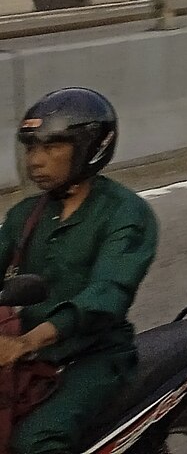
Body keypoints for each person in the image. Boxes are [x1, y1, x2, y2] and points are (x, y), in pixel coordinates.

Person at [0, 89, 157, 454]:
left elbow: (106, 294)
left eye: (52, 147)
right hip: (28, 354)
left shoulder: (125, 214)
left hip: (95, 357)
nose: (35, 160)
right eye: (31, 147)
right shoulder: (25, 215)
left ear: (88, 147)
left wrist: (27, 342)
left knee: (34, 442)